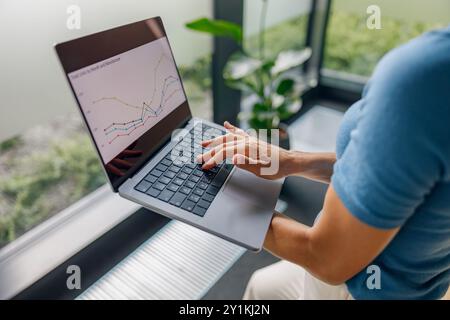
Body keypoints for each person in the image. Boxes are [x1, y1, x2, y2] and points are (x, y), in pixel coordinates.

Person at [197, 26, 450, 299]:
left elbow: (325, 259)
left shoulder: (424, 79)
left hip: (362, 288)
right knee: (262, 287)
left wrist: (220, 206)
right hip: (413, 282)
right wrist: (290, 161)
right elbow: (384, 172)